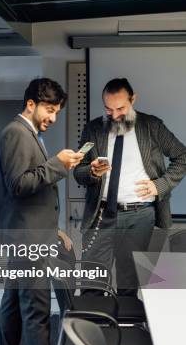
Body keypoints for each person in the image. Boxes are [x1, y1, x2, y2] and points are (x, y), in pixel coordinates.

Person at [0, 78, 83, 345]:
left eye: (56, 111)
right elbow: (19, 185)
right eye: (50, 110)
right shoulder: (16, 133)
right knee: (36, 310)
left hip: (27, 234)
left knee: (14, 306)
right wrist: (58, 164)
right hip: (27, 240)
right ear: (32, 104)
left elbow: (28, 190)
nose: (53, 117)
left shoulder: (28, 134)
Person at [74, 78, 186, 297]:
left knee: (129, 281)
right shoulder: (93, 128)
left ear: (133, 100)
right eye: (108, 109)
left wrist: (159, 185)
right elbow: (78, 171)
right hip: (101, 214)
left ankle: (125, 329)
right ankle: (91, 329)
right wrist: (90, 172)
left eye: (120, 108)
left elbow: (182, 156)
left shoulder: (151, 126)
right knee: (93, 282)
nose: (114, 115)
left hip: (140, 216)